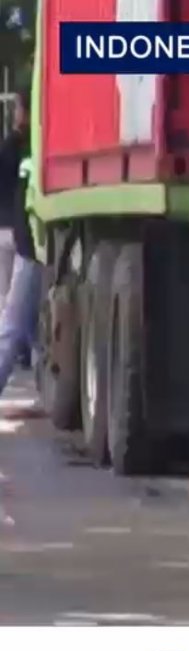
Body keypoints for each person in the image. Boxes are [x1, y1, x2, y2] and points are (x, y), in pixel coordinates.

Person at [0, 90, 42, 417]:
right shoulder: (31, 146)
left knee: (15, 321)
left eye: (18, 109)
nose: (15, 115)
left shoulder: (18, 146)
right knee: (24, 322)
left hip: (25, 241)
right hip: (27, 241)